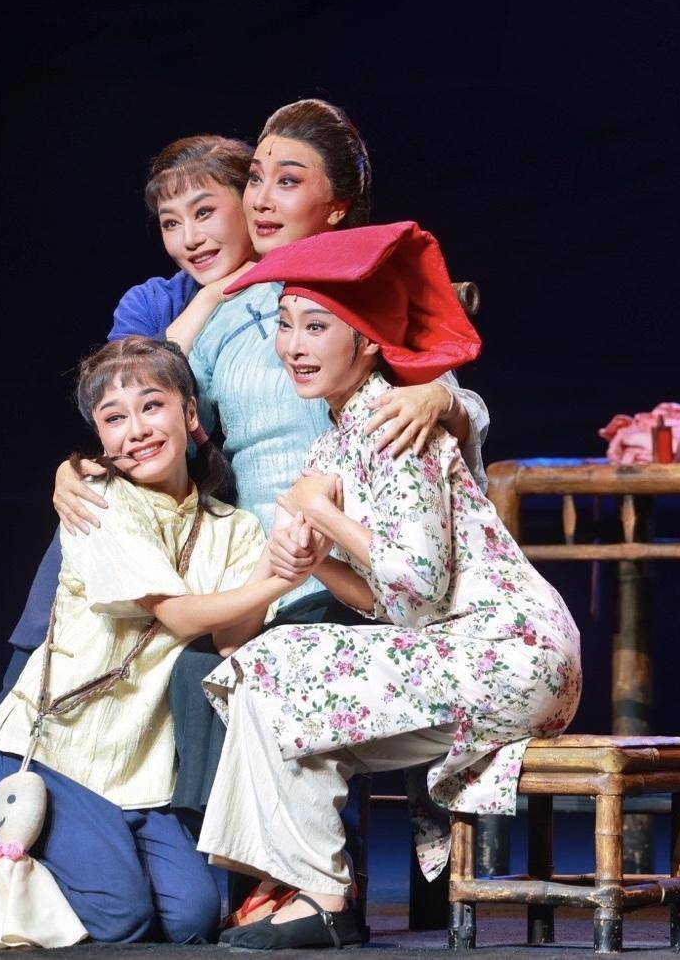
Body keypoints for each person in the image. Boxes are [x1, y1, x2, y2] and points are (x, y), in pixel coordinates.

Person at [0, 134, 259, 927]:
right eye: (172, 223)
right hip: (122, 519)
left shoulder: (289, 298)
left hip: (212, 528)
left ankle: (140, 863)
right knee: (28, 699)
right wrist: (215, 296)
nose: (191, 236)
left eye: (207, 212)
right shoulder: (155, 301)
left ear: (254, 202)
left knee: (142, 714)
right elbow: (132, 385)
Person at [50, 99, 493, 827]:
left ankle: (331, 866)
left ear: (337, 206)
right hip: (269, 558)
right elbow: (157, 414)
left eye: (286, 181)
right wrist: (77, 465)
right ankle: (223, 864)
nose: (260, 198)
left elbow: (456, 396)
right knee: (201, 663)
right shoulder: (226, 312)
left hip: (373, 559)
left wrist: (438, 398)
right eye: (255, 178)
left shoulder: (369, 285)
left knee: (290, 657)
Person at [197, 222, 583, 949]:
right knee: (281, 692)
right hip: (457, 652)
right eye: (285, 324)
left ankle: (321, 893)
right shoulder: (336, 437)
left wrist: (320, 516)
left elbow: (418, 589)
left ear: (368, 341)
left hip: (512, 650)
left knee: (278, 663)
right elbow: (383, 602)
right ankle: (311, 887)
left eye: (317, 327)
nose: (293, 345)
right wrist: (313, 561)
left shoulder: (395, 421)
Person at [0, 336, 324, 943]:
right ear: (100, 438)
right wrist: (281, 579)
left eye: (151, 406)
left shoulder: (234, 527)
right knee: (121, 917)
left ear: (190, 413)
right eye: (114, 418)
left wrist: (275, 560)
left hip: (139, 772)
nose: (136, 430)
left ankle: (39, 850)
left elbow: (225, 640)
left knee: (191, 920)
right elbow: (178, 616)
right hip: (53, 750)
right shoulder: (98, 503)